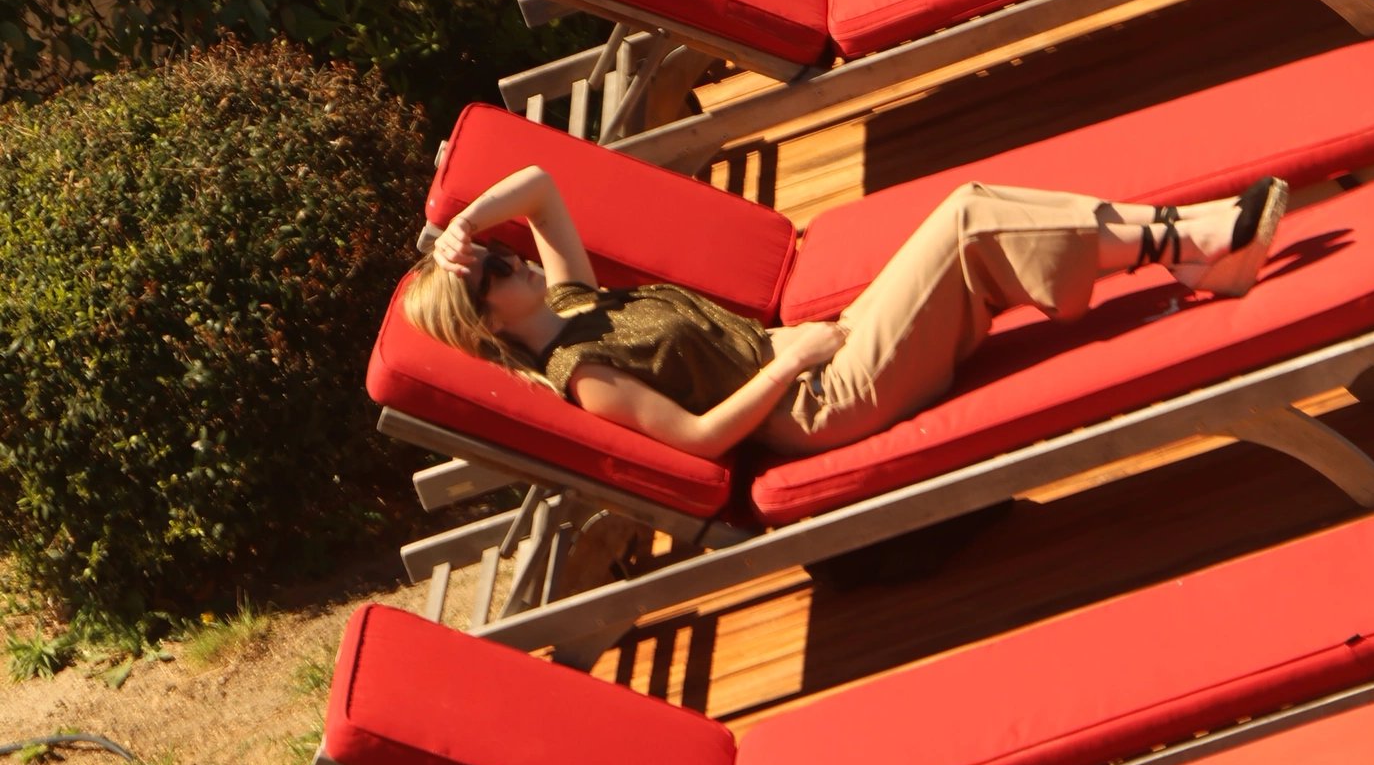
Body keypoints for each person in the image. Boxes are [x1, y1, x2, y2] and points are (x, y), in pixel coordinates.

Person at [403, 165, 1290, 463]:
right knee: (968, 220)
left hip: (821, 355)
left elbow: (541, 188)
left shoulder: (571, 299)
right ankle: (1195, 243)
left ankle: (1191, 243)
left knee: (973, 206)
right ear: (488, 325)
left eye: (499, 250)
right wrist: (792, 363)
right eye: (493, 271)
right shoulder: (581, 373)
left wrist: (463, 226)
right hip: (820, 400)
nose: (510, 256)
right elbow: (701, 437)